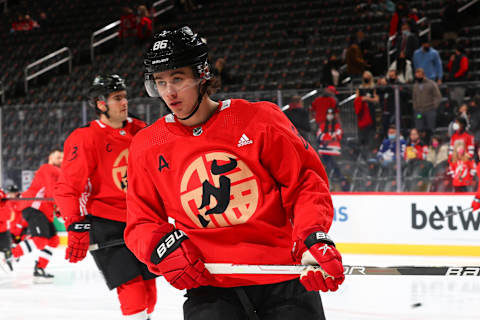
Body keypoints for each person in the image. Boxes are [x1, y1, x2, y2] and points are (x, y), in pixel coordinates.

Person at [125, 26, 344, 320]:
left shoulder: (260, 119)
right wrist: (160, 247)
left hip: (284, 280)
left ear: (202, 74)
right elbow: (141, 221)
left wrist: (312, 238)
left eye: (178, 78)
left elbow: (306, 183)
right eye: (160, 82)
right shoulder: (147, 145)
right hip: (210, 285)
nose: (169, 92)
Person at [54, 75, 158, 319]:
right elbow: (68, 186)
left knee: (150, 293)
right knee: (132, 292)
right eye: (117, 98)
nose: (124, 102)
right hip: (106, 222)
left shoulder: (141, 130)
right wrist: (74, 222)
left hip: (141, 219)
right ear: (101, 104)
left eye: (124, 96)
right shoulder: (85, 137)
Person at [8, 150, 62, 282]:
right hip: (34, 206)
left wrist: (58, 208)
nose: (61, 159)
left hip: (43, 211)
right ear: (50, 157)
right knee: (40, 240)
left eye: (62, 158)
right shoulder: (47, 168)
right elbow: (51, 192)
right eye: (58, 157)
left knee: (53, 240)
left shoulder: (60, 174)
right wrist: (62, 207)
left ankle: (39, 269)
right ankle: (10, 255)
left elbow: (55, 193)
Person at [412, 68, 442, 143]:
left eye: (419, 75)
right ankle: (421, 146)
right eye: (416, 75)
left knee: (431, 129)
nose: (418, 76)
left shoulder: (431, 84)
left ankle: (432, 145)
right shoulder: (415, 85)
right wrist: (415, 107)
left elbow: (437, 96)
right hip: (419, 111)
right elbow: (414, 98)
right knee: (419, 129)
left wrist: (434, 106)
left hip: (430, 110)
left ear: (423, 75)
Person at [0, 185, 22, 272]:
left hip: (9, 231)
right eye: (9, 193)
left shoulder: (9, 202)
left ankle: (13, 256)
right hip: (9, 230)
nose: (10, 195)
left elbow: (9, 216)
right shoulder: (8, 201)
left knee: (9, 249)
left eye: (11, 193)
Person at [447, 44, 469, 109]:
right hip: (453, 83)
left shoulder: (463, 57)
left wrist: (455, 75)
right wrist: (451, 61)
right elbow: (449, 68)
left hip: (460, 83)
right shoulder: (454, 57)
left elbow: (464, 69)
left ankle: (458, 115)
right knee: (452, 100)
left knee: (458, 101)